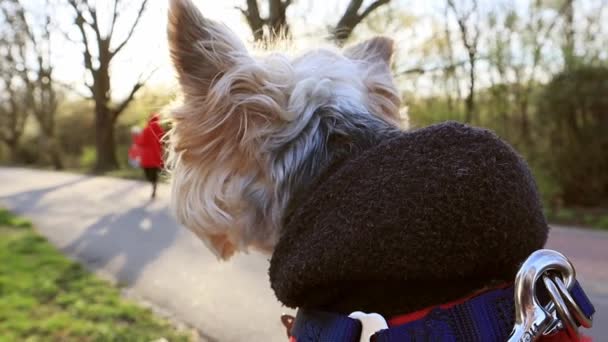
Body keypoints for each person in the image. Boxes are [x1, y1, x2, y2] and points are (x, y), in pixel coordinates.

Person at [135, 114, 164, 198]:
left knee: (148, 173)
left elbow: (141, 142)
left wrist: (137, 139)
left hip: (147, 157)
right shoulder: (160, 129)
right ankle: (154, 186)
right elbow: (163, 142)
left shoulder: (146, 129)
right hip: (156, 156)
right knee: (154, 172)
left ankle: (152, 184)